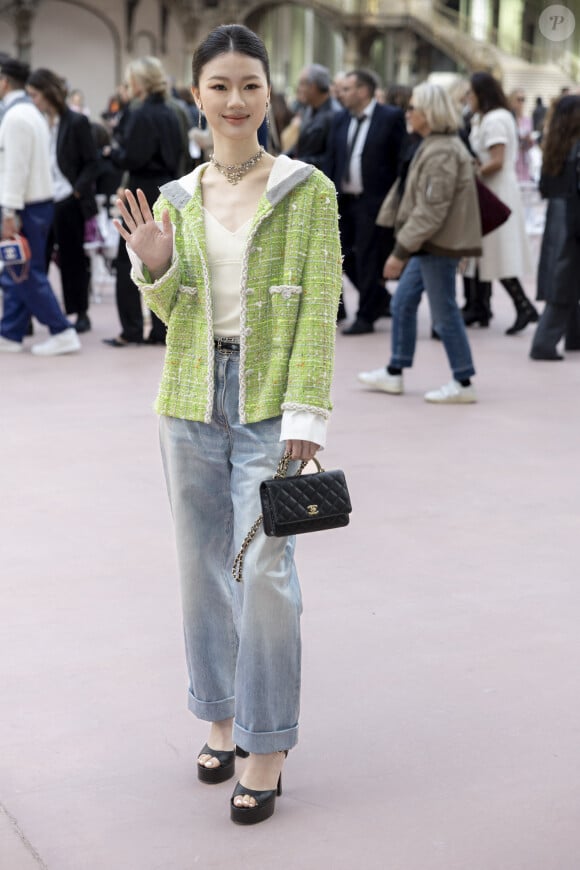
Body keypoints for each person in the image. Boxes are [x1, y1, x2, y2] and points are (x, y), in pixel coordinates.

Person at [113, 24, 342, 824]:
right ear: (197, 95)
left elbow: (320, 308)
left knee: (267, 576)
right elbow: (175, 313)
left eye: (250, 84)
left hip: (271, 401)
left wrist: (310, 410)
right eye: (220, 86)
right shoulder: (178, 197)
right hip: (189, 400)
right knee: (202, 569)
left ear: (269, 93)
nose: (236, 100)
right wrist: (154, 264)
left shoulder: (306, 190)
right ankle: (218, 718)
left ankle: (267, 743)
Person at [358, 82, 481, 403]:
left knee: (444, 313)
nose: (407, 113)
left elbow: (431, 210)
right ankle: (395, 371)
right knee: (402, 303)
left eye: (413, 108)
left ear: (429, 112)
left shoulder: (441, 150)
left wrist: (400, 252)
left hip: (436, 245)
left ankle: (463, 381)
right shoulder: (433, 144)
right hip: (431, 244)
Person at [0, 57, 80, 355]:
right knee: (16, 269)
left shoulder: (16, 117)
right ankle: (10, 332)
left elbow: (14, 168)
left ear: (4, 81)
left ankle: (62, 331)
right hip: (35, 204)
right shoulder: (28, 113)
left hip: (25, 207)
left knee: (24, 271)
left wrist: (8, 212)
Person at [104, 56, 183, 346]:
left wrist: (113, 154)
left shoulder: (140, 114)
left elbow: (133, 157)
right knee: (163, 258)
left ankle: (131, 329)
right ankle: (161, 328)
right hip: (168, 188)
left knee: (131, 254)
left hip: (142, 190)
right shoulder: (171, 112)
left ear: (138, 82)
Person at [325, 68, 405, 334]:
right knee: (341, 254)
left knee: (370, 257)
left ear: (363, 91)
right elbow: (333, 159)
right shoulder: (340, 120)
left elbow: (400, 160)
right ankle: (377, 300)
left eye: (347, 89)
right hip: (344, 200)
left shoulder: (390, 118)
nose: (341, 94)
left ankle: (365, 315)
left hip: (374, 201)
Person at [463, 72, 538, 335]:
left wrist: (472, 172)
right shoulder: (491, 117)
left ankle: (523, 306)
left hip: (497, 191)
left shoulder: (495, 119)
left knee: (499, 252)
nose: (467, 98)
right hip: (493, 190)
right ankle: (495, 306)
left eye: (470, 93)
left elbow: (497, 159)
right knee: (487, 254)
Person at [27, 68, 99, 334]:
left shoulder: (76, 122)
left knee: (72, 260)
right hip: (40, 200)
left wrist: (77, 192)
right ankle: (30, 315)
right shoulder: (35, 121)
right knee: (37, 261)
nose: (32, 100)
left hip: (68, 199)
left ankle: (80, 313)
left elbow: (93, 163)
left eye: (35, 94)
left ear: (48, 92)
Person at [530, 95, 580, 360]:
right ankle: (544, 342)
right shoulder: (574, 147)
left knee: (565, 274)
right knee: (564, 278)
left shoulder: (555, 144)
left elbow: (545, 186)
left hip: (558, 214)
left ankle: (574, 336)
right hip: (572, 214)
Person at [286, 64, 339, 169]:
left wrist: (298, 162)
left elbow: (332, 157)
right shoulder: (308, 108)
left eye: (302, 84)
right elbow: (300, 145)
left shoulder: (335, 115)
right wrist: (283, 158)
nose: (299, 89)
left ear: (313, 87)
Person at [509, 88, 533, 183]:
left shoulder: (527, 120)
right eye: (519, 99)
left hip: (524, 159)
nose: (521, 102)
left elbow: (530, 143)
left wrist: (529, 140)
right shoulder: (509, 118)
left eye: (523, 99)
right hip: (513, 159)